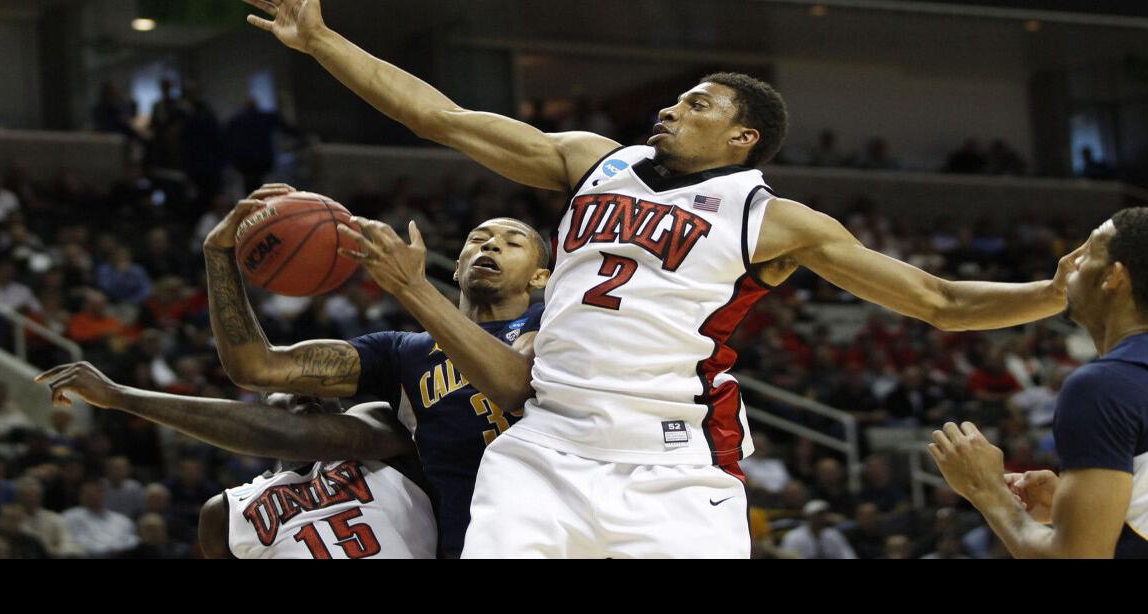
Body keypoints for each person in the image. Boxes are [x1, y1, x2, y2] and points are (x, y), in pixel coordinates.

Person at [243, 0, 1078, 558]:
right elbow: (438, 118)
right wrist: (321, 40)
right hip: (544, 442)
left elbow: (936, 301)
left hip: (673, 462)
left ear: (742, 136)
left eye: (698, 103)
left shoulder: (773, 220)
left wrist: (1052, 293)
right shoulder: (591, 161)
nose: (673, 107)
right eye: (676, 98)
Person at [203, 184, 549, 557]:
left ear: (540, 278)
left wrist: (411, 287)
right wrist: (218, 255)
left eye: (512, 243)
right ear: (456, 267)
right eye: (478, 239)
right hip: (469, 544)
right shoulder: (403, 352)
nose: (491, 245)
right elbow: (257, 366)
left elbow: (513, 383)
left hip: (562, 527)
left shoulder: (553, 322)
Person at [34, 361, 435, 559]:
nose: (306, 392)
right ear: (260, 408)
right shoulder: (225, 512)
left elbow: (291, 433)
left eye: (315, 386)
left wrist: (121, 396)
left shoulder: (378, 430)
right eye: (287, 388)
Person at [930, 208, 1148, 559]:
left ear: (1114, 277)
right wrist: (1082, 506)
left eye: (1087, 253)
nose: (1069, 264)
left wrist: (987, 491)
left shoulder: (1103, 387)